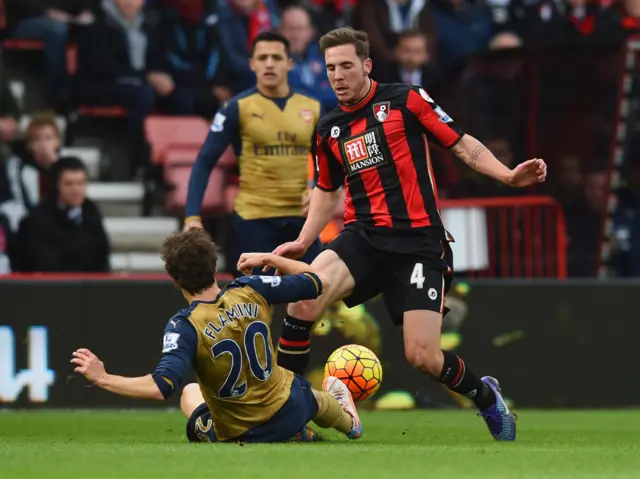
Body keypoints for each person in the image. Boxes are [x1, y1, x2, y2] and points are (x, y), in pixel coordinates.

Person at [272, 27, 548, 442]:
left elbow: (462, 144)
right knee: (303, 301)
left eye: (347, 65)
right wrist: (303, 238)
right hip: (363, 236)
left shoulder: (406, 100)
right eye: (330, 68)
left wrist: (507, 175)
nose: (338, 75)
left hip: (418, 243)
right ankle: (285, 415)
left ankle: (487, 397)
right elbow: (327, 192)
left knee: (423, 357)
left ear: (366, 65)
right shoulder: (329, 128)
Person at [71, 229, 362, 443]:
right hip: (290, 408)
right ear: (213, 266)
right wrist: (270, 258)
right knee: (313, 396)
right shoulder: (252, 287)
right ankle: (349, 424)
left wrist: (103, 378)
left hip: (241, 431)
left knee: (189, 393)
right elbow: (318, 281)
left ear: (174, 279)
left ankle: (262, 432)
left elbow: (161, 386)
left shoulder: (184, 325)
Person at [183, 31, 323, 275]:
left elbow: (330, 161)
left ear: (290, 63)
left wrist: (318, 189)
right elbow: (205, 160)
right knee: (253, 303)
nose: (269, 63)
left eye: (277, 57)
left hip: (302, 222)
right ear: (252, 64)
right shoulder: (236, 109)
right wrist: (192, 216)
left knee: (313, 297)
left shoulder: (312, 108)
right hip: (254, 219)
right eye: (263, 57)